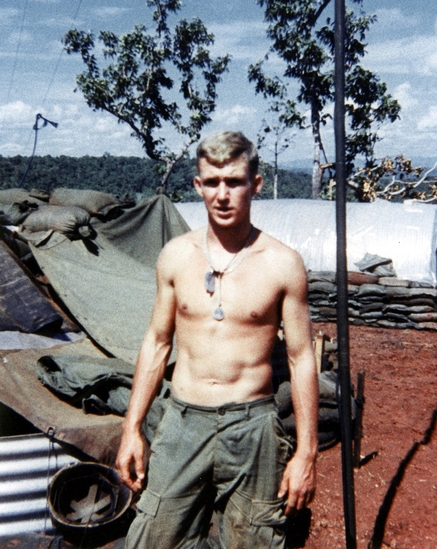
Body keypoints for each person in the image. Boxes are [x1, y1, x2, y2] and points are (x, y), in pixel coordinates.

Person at [116, 131, 319, 549]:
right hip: (183, 421)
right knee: (153, 538)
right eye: (212, 183)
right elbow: (156, 343)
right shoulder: (175, 255)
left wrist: (306, 454)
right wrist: (132, 429)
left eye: (234, 182)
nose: (222, 195)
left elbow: (301, 360)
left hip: (253, 427)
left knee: (254, 541)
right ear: (197, 186)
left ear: (255, 185)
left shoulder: (283, 264)